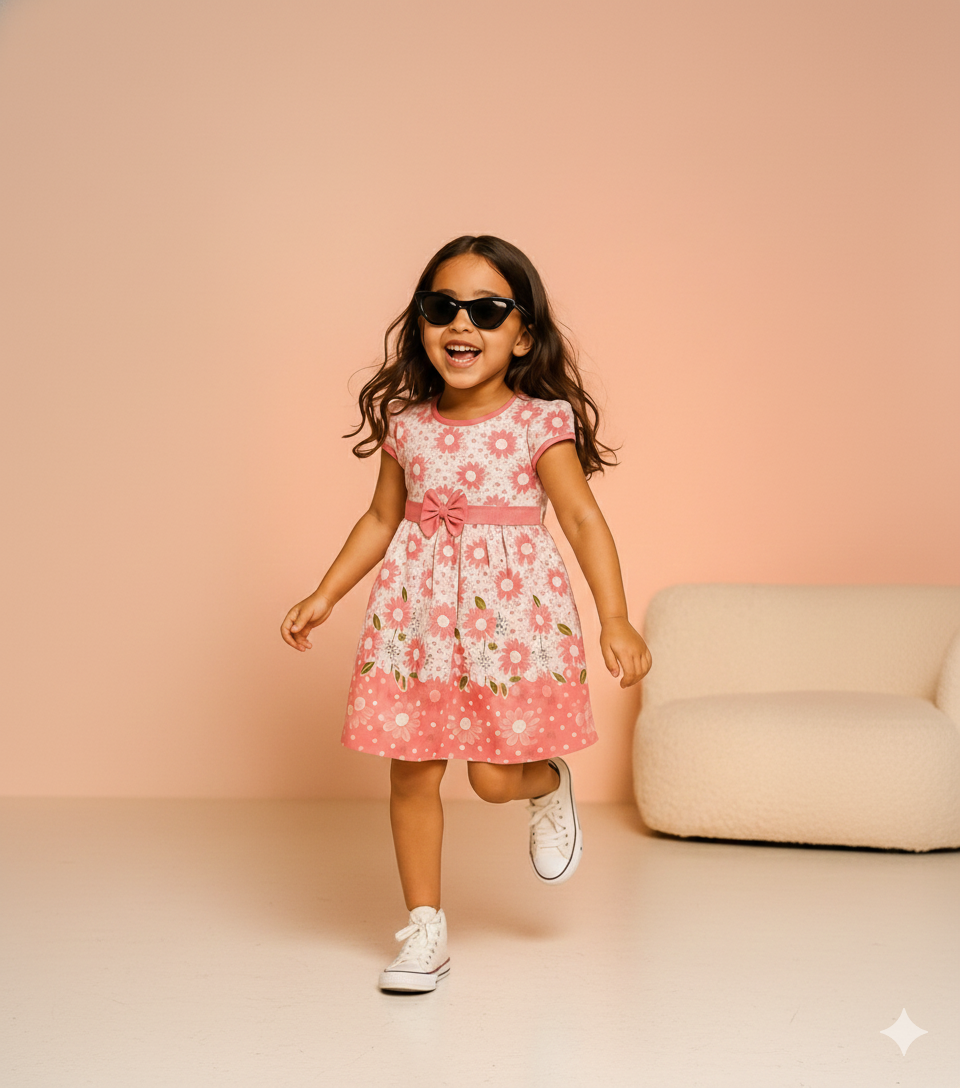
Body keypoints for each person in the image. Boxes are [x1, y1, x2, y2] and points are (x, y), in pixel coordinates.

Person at [281, 235, 651, 993]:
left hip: (506, 625)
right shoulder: (408, 427)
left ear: (522, 334)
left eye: (486, 311)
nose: (462, 326)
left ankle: (546, 782)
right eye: (442, 307)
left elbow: (582, 520)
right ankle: (424, 928)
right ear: (420, 323)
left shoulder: (537, 424)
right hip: (415, 622)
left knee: (489, 779)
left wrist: (614, 617)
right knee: (413, 773)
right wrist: (324, 593)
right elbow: (382, 522)